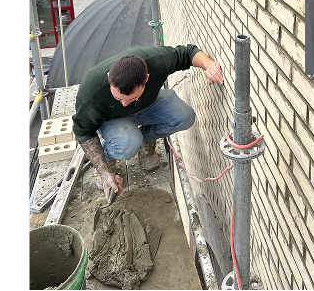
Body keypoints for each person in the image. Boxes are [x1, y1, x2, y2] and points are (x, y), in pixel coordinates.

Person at [73, 42, 224, 199]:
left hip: (148, 105)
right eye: (118, 98)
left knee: (185, 116)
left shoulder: (156, 61)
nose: (124, 104)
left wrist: (209, 65)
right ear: (109, 77)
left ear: (146, 79)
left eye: (131, 98)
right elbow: (83, 131)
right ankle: (108, 159)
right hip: (113, 119)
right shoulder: (91, 91)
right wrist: (103, 171)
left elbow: (187, 53)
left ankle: (146, 140)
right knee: (128, 144)